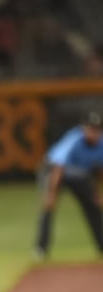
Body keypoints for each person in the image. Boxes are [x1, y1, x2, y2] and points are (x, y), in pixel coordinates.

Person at [34, 110, 103, 259]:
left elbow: (99, 170)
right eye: (91, 128)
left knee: (94, 206)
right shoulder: (74, 140)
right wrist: (52, 192)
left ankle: (101, 245)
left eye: (97, 129)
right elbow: (58, 167)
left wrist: (97, 193)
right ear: (84, 128)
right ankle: (41, 248)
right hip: (54, 170)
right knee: (49, 206)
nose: (94, 133)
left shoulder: (101, 144)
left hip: (80, 175)